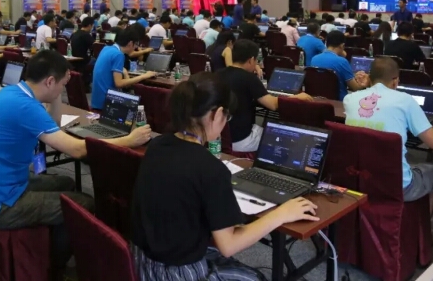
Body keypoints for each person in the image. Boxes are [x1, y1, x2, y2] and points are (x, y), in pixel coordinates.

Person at [0, 50, 151, 271]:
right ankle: (53, 267)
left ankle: (54, 244)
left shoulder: (14, 93)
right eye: (62, 85)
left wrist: (55, 93)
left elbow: (51, 120)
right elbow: (78, 150)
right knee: (83, 204)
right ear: (50, 81)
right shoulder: (26, 107)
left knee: (66, 183)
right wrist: (129, 140)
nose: (63, 89)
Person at [130, 72, 318, 281]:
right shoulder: (210, 168)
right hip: (178, 273)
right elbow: (229, 245)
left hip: (141, 261)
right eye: (227, 117)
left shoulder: (158, 145)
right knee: (256, 277)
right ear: (218, 113)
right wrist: (281, 214)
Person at [344, 57, 433, 208]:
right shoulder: (405, 100)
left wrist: (367, 87)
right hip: (397, 184)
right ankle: (421, 222)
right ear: (395, 81)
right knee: (432, 171)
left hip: (358, 178)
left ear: (370, 78)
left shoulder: (349, 99)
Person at [217, 40, 312, 152]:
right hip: (242, 140)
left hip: (220, 136)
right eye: (256, 61)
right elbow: (273, 105)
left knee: (261, 126)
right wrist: (297, 97)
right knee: (282, 136)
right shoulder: (249, 78)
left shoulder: (218, 74)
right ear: (251, 60)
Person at [91, 29, 157, 109]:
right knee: (142, 105)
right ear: (130, 43)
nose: (136, 47)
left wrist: (124, 71)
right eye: (136, 44)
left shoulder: (106, 48)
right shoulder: (119, 55)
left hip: (96, 101)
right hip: (107, 104)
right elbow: (119, 83)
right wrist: (144, 76)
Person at [311, 30, 370, 100]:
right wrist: (366, 82)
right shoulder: (342, 62)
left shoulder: (314, 59)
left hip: (318, 100)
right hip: (339, 102)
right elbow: (355, 88)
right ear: (342, 46)